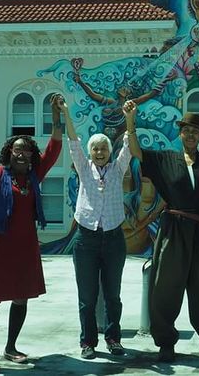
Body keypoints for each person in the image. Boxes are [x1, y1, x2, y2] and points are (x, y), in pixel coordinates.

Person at [123, 93, 199, 365]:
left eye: (196, 132)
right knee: (165, 286)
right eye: (186, 130)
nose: (191, 135)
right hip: (173, 230)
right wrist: (130, 120)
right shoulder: (164, 160)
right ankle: (165, 343)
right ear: (180, 133)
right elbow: (136, 150)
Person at [0, 94, 63, 375]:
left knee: (21, 297)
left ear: (32, 155)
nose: (21, 154)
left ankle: (10, 347)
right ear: (9, 153)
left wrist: (56, 117)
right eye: (17, 150)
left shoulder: (34, 176)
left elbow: (54, 149)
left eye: (27, 150)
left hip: (27, 247)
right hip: (1, 247)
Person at [61, 97, 132, 359]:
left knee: (113, 295)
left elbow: (128, 145)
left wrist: (129, 118)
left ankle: (114, 339)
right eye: (96, 149)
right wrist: (67, 113)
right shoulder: (83, 168)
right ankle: (88, 342)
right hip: (86, 240)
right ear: (90, 153)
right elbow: (73, 142)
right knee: (87, 297)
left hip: (114, 239)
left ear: (109, 152)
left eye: (104, 148)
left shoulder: (117, 170)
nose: (100, 152)